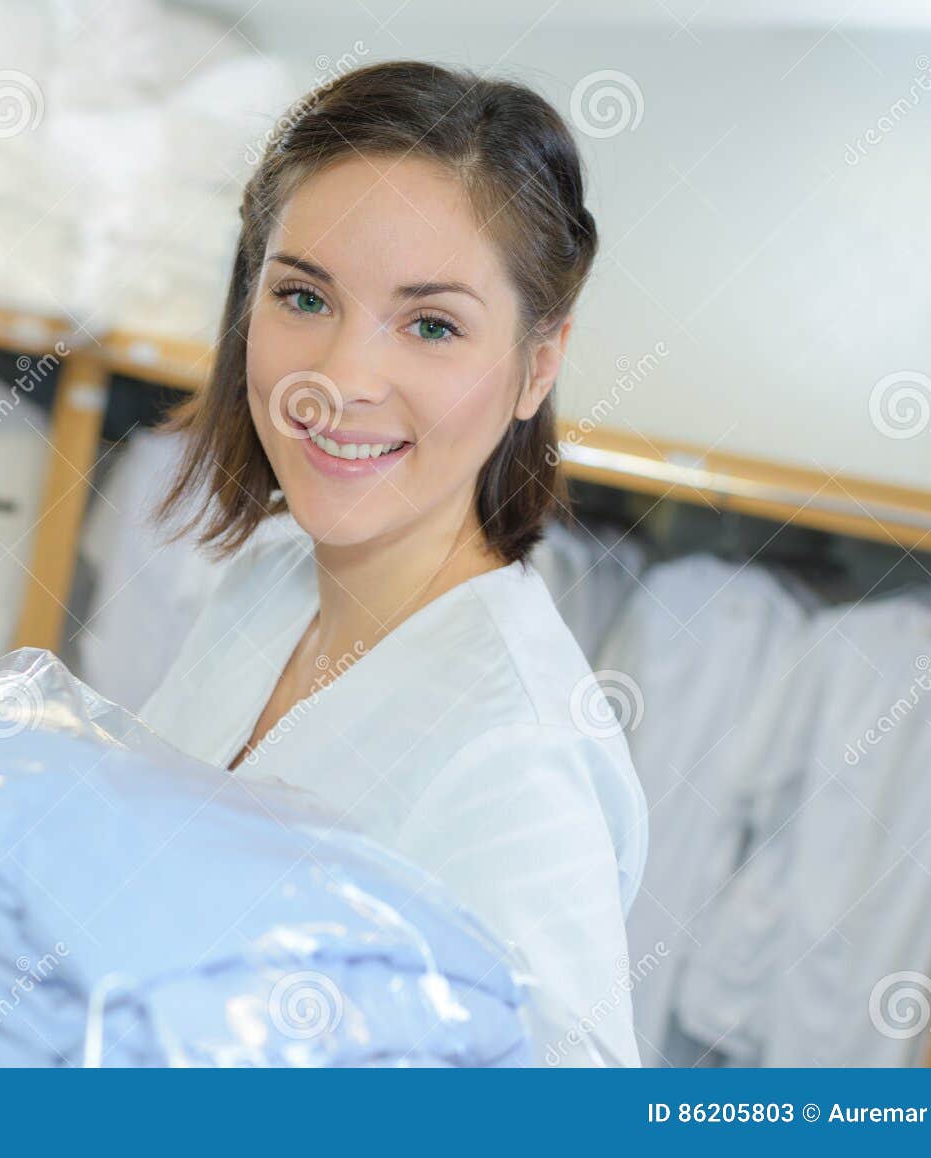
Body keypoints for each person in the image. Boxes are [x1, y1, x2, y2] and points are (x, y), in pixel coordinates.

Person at [140, 60, 650, 1067]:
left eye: (430, 324)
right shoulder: (267, 583)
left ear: (535, 366)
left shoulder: (516, 759)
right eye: (303, 297)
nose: (338, 381)